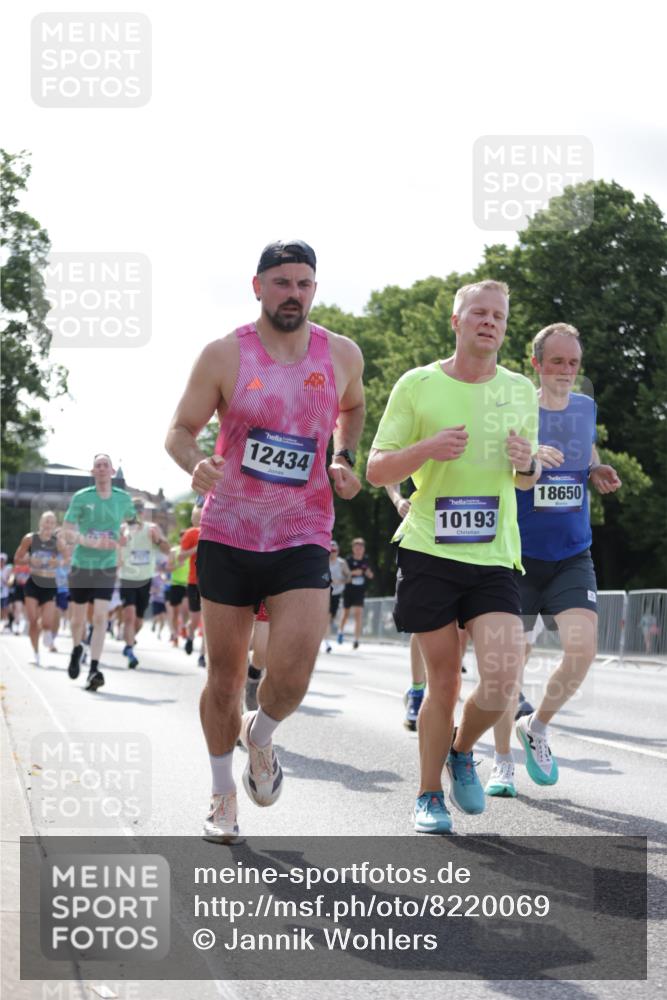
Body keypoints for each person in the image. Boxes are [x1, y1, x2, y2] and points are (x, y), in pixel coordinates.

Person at [165, 239, 365, 842]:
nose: (293, 293)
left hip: (303, 532)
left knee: (295, 671)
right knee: (224, 678)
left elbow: (351, 409)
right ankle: (223, 793)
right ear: (258, 287)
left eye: (304, 283)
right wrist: (194, 463)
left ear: (314, 290)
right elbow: (179, 429)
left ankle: (262, 736)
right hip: (229, 531)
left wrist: (344, 455)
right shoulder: (225, 354)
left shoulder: (342, 354)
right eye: (281, 282)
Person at [367, 279, 540, 834]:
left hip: (493, 554)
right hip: (428, 551)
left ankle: (462, 749)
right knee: (442, 680)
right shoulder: (417, 385)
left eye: (499, 317)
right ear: (457, 320)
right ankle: (427, 796)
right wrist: (427, 449)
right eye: (479, 313)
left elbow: (527, 478)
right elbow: (376, 469)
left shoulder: (519, 391)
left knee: (502, 676)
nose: (490, 322)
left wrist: (526, 463)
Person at [485, 323, 622, 797]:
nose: (566, 370)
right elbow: (498, 469)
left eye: (573, 363)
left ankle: (536, 728)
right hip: (518, 555)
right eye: (557, 362)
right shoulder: (517, 410)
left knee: (583, 649)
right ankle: (501, 762)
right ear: (536, 364)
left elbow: (585, 449)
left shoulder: (585, 408)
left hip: (571, 553)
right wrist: (527, 458)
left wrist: (595, 467)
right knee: (508, 665)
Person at [385, 483, 469, 731]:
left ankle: (440, 692)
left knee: (460, 629)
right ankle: (418, 691)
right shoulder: (424, 444)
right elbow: (389, 467)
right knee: (423, 624)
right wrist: (398, 499)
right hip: (425, 536)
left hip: (469, 539)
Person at [62, 453, 135, 691]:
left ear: (113, 471)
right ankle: (76, 649)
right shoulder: (82, 498)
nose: (102, 469)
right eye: (98, 466)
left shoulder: (123, 499)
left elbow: (130, 524)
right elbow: (68, 531)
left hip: (107, 565)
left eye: (106, 465)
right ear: (93, 472)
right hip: (82, 563)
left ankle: (94, 667)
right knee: (77, 618)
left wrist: (125, 534)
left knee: (101, 617)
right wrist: (89, 541)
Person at [118, 498, 170, 668]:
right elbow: (112, 550)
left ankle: (130, 641)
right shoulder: (122, 530)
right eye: (133, 510)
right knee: (129, 616)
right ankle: (130, 650)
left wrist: (157, 540)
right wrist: (119, 544)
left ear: (143, 512)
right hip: (127, 577)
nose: (137, 513)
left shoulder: (152, 529)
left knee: (138, 621)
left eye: (139, 510)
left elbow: (167, 549)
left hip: (145, 580)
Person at [13, 511, 65, 666]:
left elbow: (67, 558)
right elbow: (17, 559)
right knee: (33, 620)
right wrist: (28, 560)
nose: (48, 524)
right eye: (46, 521)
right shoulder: (30, 539)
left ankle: (47, 633)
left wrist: (58, 563)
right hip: (33, 583)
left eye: (51, 522)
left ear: (54, 525)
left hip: (49, 584)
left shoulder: (57, 542)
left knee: (48, 622)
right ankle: (36, 654)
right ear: (40, 523)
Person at [338, 538, 374, 649]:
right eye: (357, 547)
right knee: (346, 614)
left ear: (364, 549)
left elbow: (371, 576)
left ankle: (356, 640)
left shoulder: (366, 560)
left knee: (358, 614)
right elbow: (343, 575)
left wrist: (368, 573)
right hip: (349, 590)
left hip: (360, 591)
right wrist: (354, 572)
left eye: (361, 547)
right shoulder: (348, 560)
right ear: (353, 548)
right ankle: (340, 632)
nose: (359, 549)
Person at [323, 541, 351, 652]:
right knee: (327, 617)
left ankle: (325, 638)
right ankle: (327, 643)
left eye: (334, 550)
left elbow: (349, 577)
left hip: (337, 593)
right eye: (330, 550)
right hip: (324, 592)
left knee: (330, 618)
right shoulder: (323, 562)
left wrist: (341, 580)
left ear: (338, 551)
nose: (332, 553)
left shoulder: (341, 563)